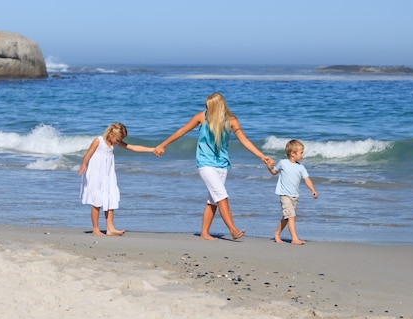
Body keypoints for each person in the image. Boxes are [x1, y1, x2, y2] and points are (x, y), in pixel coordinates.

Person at [154, 93, 272, 240]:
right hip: (205, 163)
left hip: (222, 164)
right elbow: (182, 131)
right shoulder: (201, 117)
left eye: (208, 106)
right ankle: (233, 230)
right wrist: (163, 144)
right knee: (222, 197)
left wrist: (262, 156)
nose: (206, 108)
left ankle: (204, 233)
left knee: (213, 200)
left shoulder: (232, 120)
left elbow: (245, 141)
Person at [79, 122, 154, 236]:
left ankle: (110, 228)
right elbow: (87, 155)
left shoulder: (114, 144)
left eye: (120, 140)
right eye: (118, 140)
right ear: (110, 134)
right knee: (97, 202)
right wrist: (84, 164)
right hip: (95, 174)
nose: (118, 142)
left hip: (108, 174)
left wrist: (152, 150)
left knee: (110, 198)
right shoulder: (98, 141)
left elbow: (132, 147)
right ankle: (95, 229)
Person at [267, 139, 318, 245]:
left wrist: (312, 189)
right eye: (301, 152)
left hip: (295, 196)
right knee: (291, 216)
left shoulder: (301, 167)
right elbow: (274, 172)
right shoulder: (283, 163)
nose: (302, 155)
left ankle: (277, 234)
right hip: (284, 195)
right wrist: (269, 167)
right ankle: (294, 239)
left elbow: (307, 179)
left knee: (287, 217)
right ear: (292, 153)